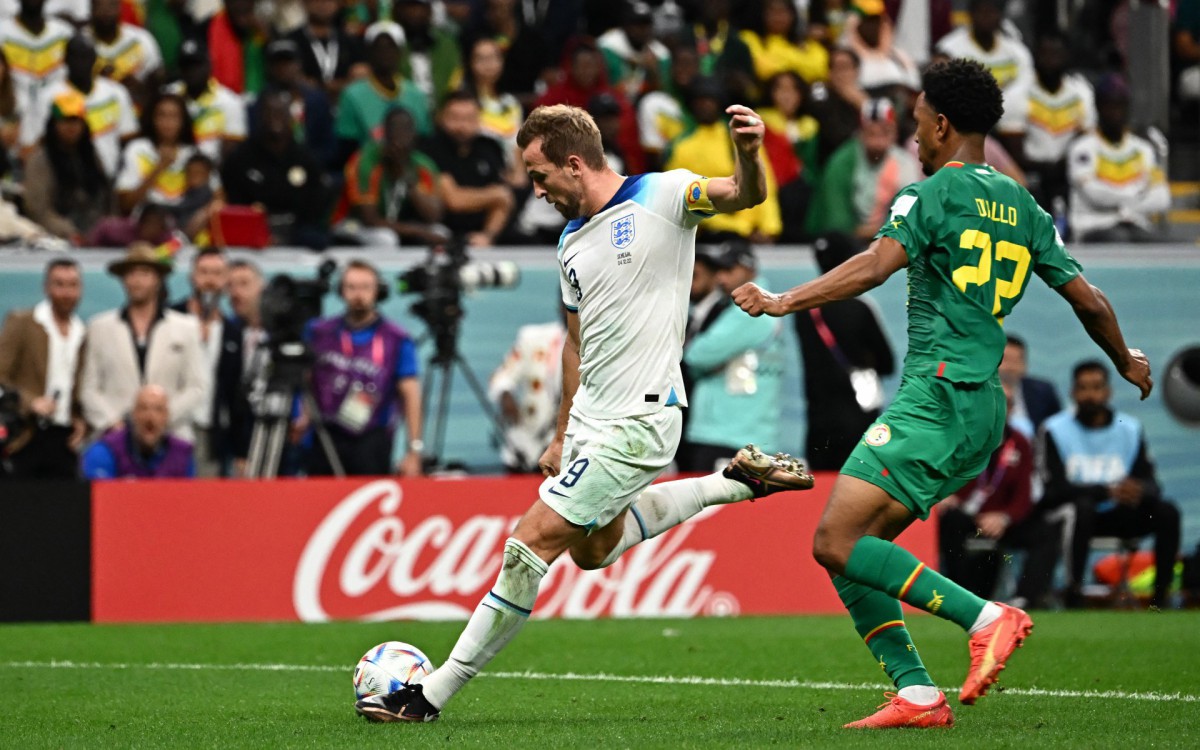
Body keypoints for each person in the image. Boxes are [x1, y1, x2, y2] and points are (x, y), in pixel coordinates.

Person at [354, 102, 814, 724]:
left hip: (643, 419)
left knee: (527, 545)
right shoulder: (571, 241)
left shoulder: (664, 194)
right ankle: (732, 483)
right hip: (594, 423)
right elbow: (577, 343)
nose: (534, 191)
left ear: (575, 164)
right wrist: (562, 431)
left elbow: (743, 194)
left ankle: (427, 697)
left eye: (540, 176)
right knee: (592, 551)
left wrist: (751, 152)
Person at [731, 58, 1152, 729]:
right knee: (859, 551)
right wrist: (1124, 359)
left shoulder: (928, 196)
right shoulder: (1025, 206)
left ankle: (986, 617)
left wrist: (785, 299)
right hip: (985, 410)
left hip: (937, 395)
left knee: (835, 540)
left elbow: (874, 265)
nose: (914, 138)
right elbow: (1090, 300)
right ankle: (919, 696)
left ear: (944, 123)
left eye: (919, 124)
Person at [1040, 360, 1181, 610]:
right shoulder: (1054, 430)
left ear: (1108, 391)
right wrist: (1104, 491)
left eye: (1096, 387)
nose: (1090, 395)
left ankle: (1161, 598)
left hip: (1120, 514)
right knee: (1079, 509)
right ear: (1073, 392)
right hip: (1079, 517)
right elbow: (1053, 491)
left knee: (1167, 512)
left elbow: (1151, 483)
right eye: (1083, 388)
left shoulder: (1129, 428)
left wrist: (1138, 490)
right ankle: (1074, 594)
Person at [937, 378, 1059, 607]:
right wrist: (945, 494)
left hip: (1002, 521)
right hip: (966, 516)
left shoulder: (1021, 443)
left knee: (1046, 530)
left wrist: (1004, 517)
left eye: (1008, 403)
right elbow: (941, 477)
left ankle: (1026, 599)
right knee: (949, 520)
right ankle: (958, 596)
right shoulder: (960, 438)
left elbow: (1026, 494)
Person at [304, 259, 424, 477]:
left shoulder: (396, 338)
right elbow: (305, 378)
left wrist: (414, 450)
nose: (358, 295)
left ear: (378, 291)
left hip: (371, 437)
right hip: (326, 433)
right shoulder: (321, 332)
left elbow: (411, 393)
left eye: (366, 287)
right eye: (351, 287)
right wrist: (301, 416)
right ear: (341, 291)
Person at [79, 243, 208, 443]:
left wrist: (159, 418)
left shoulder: (186, 327)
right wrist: (112, 423)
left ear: (158, 279)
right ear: (123, 279)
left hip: (171, 437)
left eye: (145, 273)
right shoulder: (99, 327)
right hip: (115, 438)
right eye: (131, 273)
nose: (137, 280)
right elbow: (89, 388)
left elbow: (196, 387)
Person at [679, 239, 785, 472]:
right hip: (738, 431)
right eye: (718, 271)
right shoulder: (743, 308)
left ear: (749, 268)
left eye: (729, 270)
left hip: (729, 433)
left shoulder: (751, 311)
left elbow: (697, 355)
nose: (721, 279)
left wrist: (705, 364)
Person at [792, 233, 894, 472]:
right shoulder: (860, 308)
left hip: (817, 421)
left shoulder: (804, 310)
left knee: (819, 494)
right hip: (858, 420)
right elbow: (887, 363)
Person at [0, 258, 86, 478]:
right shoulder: (23, 322)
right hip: (26, 433)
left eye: (72, 285)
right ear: (46, 287)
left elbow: (78, 385)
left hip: (65, 438)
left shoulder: (82, 332)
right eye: (59, 284)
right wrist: (31, 402)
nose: (66, 292)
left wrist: (79, 419)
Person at [220, 89, 331, 250]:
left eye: (280, 111)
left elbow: (316, 201)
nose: (275, 116)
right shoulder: (241, 158)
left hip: (296, 230)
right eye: (269, 111)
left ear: (290, 116)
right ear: (259, 115)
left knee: (316, 240)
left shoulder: (305, 158)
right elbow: (235, 200)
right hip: (254, 230)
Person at [1067, 74, 1170, 244]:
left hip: (1134, 224)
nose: (1115, 112)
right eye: (1109, 105)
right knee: (1120, 238)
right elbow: (1094, 194)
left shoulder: (1143, 150)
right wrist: (1134, 195)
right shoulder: (1082, 148)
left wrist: (1127, 208)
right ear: (1098, 107)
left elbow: (1162, 197)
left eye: (1119, 105)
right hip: (1094, 226)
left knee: (1171, 247)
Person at [20, 33, 137, 179]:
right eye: (75, 56)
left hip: (109, 180)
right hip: (64, 181)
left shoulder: (116, 93)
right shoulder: (47, 97)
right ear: (65, 60)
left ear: (95, 58)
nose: (81, 62)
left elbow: (129, 139)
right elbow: (28, 148)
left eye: (86, 56)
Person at [805, 98, 922, 243]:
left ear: (895, 133)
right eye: (872, 131)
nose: (878, 136)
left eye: (885, 130)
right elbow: (837, 221)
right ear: (860, 132)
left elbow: (910, 215)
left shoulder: (905, 163)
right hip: (846, 244)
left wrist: (881, 230)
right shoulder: (841, 162)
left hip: (891, 240)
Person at [936, 0, 1034, 164]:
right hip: (967, 118)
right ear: (971, 14)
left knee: (1017, 108)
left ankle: (1019, 173)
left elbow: (1025, 86)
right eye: (982, 12)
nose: (986, 17)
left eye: (992, 12)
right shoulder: (950, 48)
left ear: (1000, 16)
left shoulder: (1017, 51)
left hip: (1008, 118)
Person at [340, 107, 446, 247]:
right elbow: (369, 219)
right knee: (385, 239)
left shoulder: (423, 165)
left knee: (441, 232)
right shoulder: (365, 161)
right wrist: (416, 231)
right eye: (395, 133)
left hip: (399, 224)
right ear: (385, 135)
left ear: (414, 136)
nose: (400, 141)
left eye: (406, 132)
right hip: (351, 224)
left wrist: (408, 179)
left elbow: (434, 215)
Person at [419, 90, 514, 247]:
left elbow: (504, 202)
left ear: (479, 119)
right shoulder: (430, 148)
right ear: (441, 118)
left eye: (469, 119)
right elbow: (453, 200)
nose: (462, 126)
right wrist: (495, 194)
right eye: (455, 118)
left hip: (484, 233)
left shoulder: (490, 148)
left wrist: (487, 235)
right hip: (442, 230)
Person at [334, 21, 432, 165]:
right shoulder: (352, 95)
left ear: (401, 52)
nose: (385, 53)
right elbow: (346, 145)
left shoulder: (416, 94)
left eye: (391, 47)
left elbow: (423, 140)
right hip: (366, 169)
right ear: (368, 52)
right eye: (378, 47)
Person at [20, 89, 112, 242]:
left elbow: (108, 199)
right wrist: (70, 233)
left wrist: (108, 230)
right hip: (56, 238)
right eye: (64, 120)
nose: (71, 127)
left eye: (76, 121)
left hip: (97, 235)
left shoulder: (92, 156)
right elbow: (38, 209)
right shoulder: (39, 159)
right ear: (53, 124)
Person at [1024, 30, 1095, 218]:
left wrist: (1064, 163)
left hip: (1068, 172)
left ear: (1066, 56)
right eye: (1045, 54)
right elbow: (1012, 146)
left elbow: (1087, 138)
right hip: (1031, 174)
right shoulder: (1020, 92)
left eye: (1056, 54)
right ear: (1036, 56)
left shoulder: (1081, 92)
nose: (1050, 61)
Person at [169, 248, 228, 477]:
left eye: (217, 273)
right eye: (203, 272)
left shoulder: (231, 330)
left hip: (210, 430)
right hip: (173, 425)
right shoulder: (169, 317)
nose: (210, 280)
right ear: (191, 277)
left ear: (225, 279)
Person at [487, 313, 567, 473]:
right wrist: (506, 395)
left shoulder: (597, 341)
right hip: (526, 441)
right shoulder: (534, 338)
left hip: (567, 444)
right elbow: (501, 376)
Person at [213, 259, 266, 476]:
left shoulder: (282, 332)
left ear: (262, 287)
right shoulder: (224, 332)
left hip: (274, 427)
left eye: (244, 284)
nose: (235, 292)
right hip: (235, 436)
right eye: (230, 285)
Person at [81, 384, 194, 479]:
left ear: (167, 416)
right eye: (143, 408)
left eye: (158, 409)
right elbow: (99, 498)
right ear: (133, 414)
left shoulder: (183, 453)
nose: (150, 417)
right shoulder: (106, 450)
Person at [115, 90, 198, 215]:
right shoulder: (137, 149)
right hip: (146, 223)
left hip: (183, 219)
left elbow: (217, 196)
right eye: (162, 115)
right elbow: (126, 204)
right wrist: (160, 166)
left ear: (183, 121)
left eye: (174, 116)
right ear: (152, 118)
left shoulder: (193, 153)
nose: (168, 122)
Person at [167, 39, 248, 165]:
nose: (191, 71)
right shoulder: (168, 96)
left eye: (196, 65)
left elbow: (232, 152)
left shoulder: (229, 101)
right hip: (172, 172)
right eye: (186, 66)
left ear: (209, 65)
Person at [284, 0, 366, 102]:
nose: (323, 4)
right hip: (305, 105)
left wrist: (334, 86)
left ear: (338, 4)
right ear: (304, 3)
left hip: (342, 104)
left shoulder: (349, 41)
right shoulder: (291, 41)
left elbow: (361, 74)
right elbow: (289, 76)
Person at [89, 0, 164, 108]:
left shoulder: (141, 39)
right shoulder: (81, 42)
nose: (106, 11)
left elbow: (158, 73)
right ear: (91, 9)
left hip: (139, 109)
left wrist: (138, 86)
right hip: (98, 111)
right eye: (99, 6)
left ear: (120, 8)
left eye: (111, 5)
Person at [997, 333, 1060, 440]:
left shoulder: (1043, 392)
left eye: (1016, 361)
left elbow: (1055, 429)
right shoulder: (979, 391)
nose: (1010, 367)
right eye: (1006, 360)